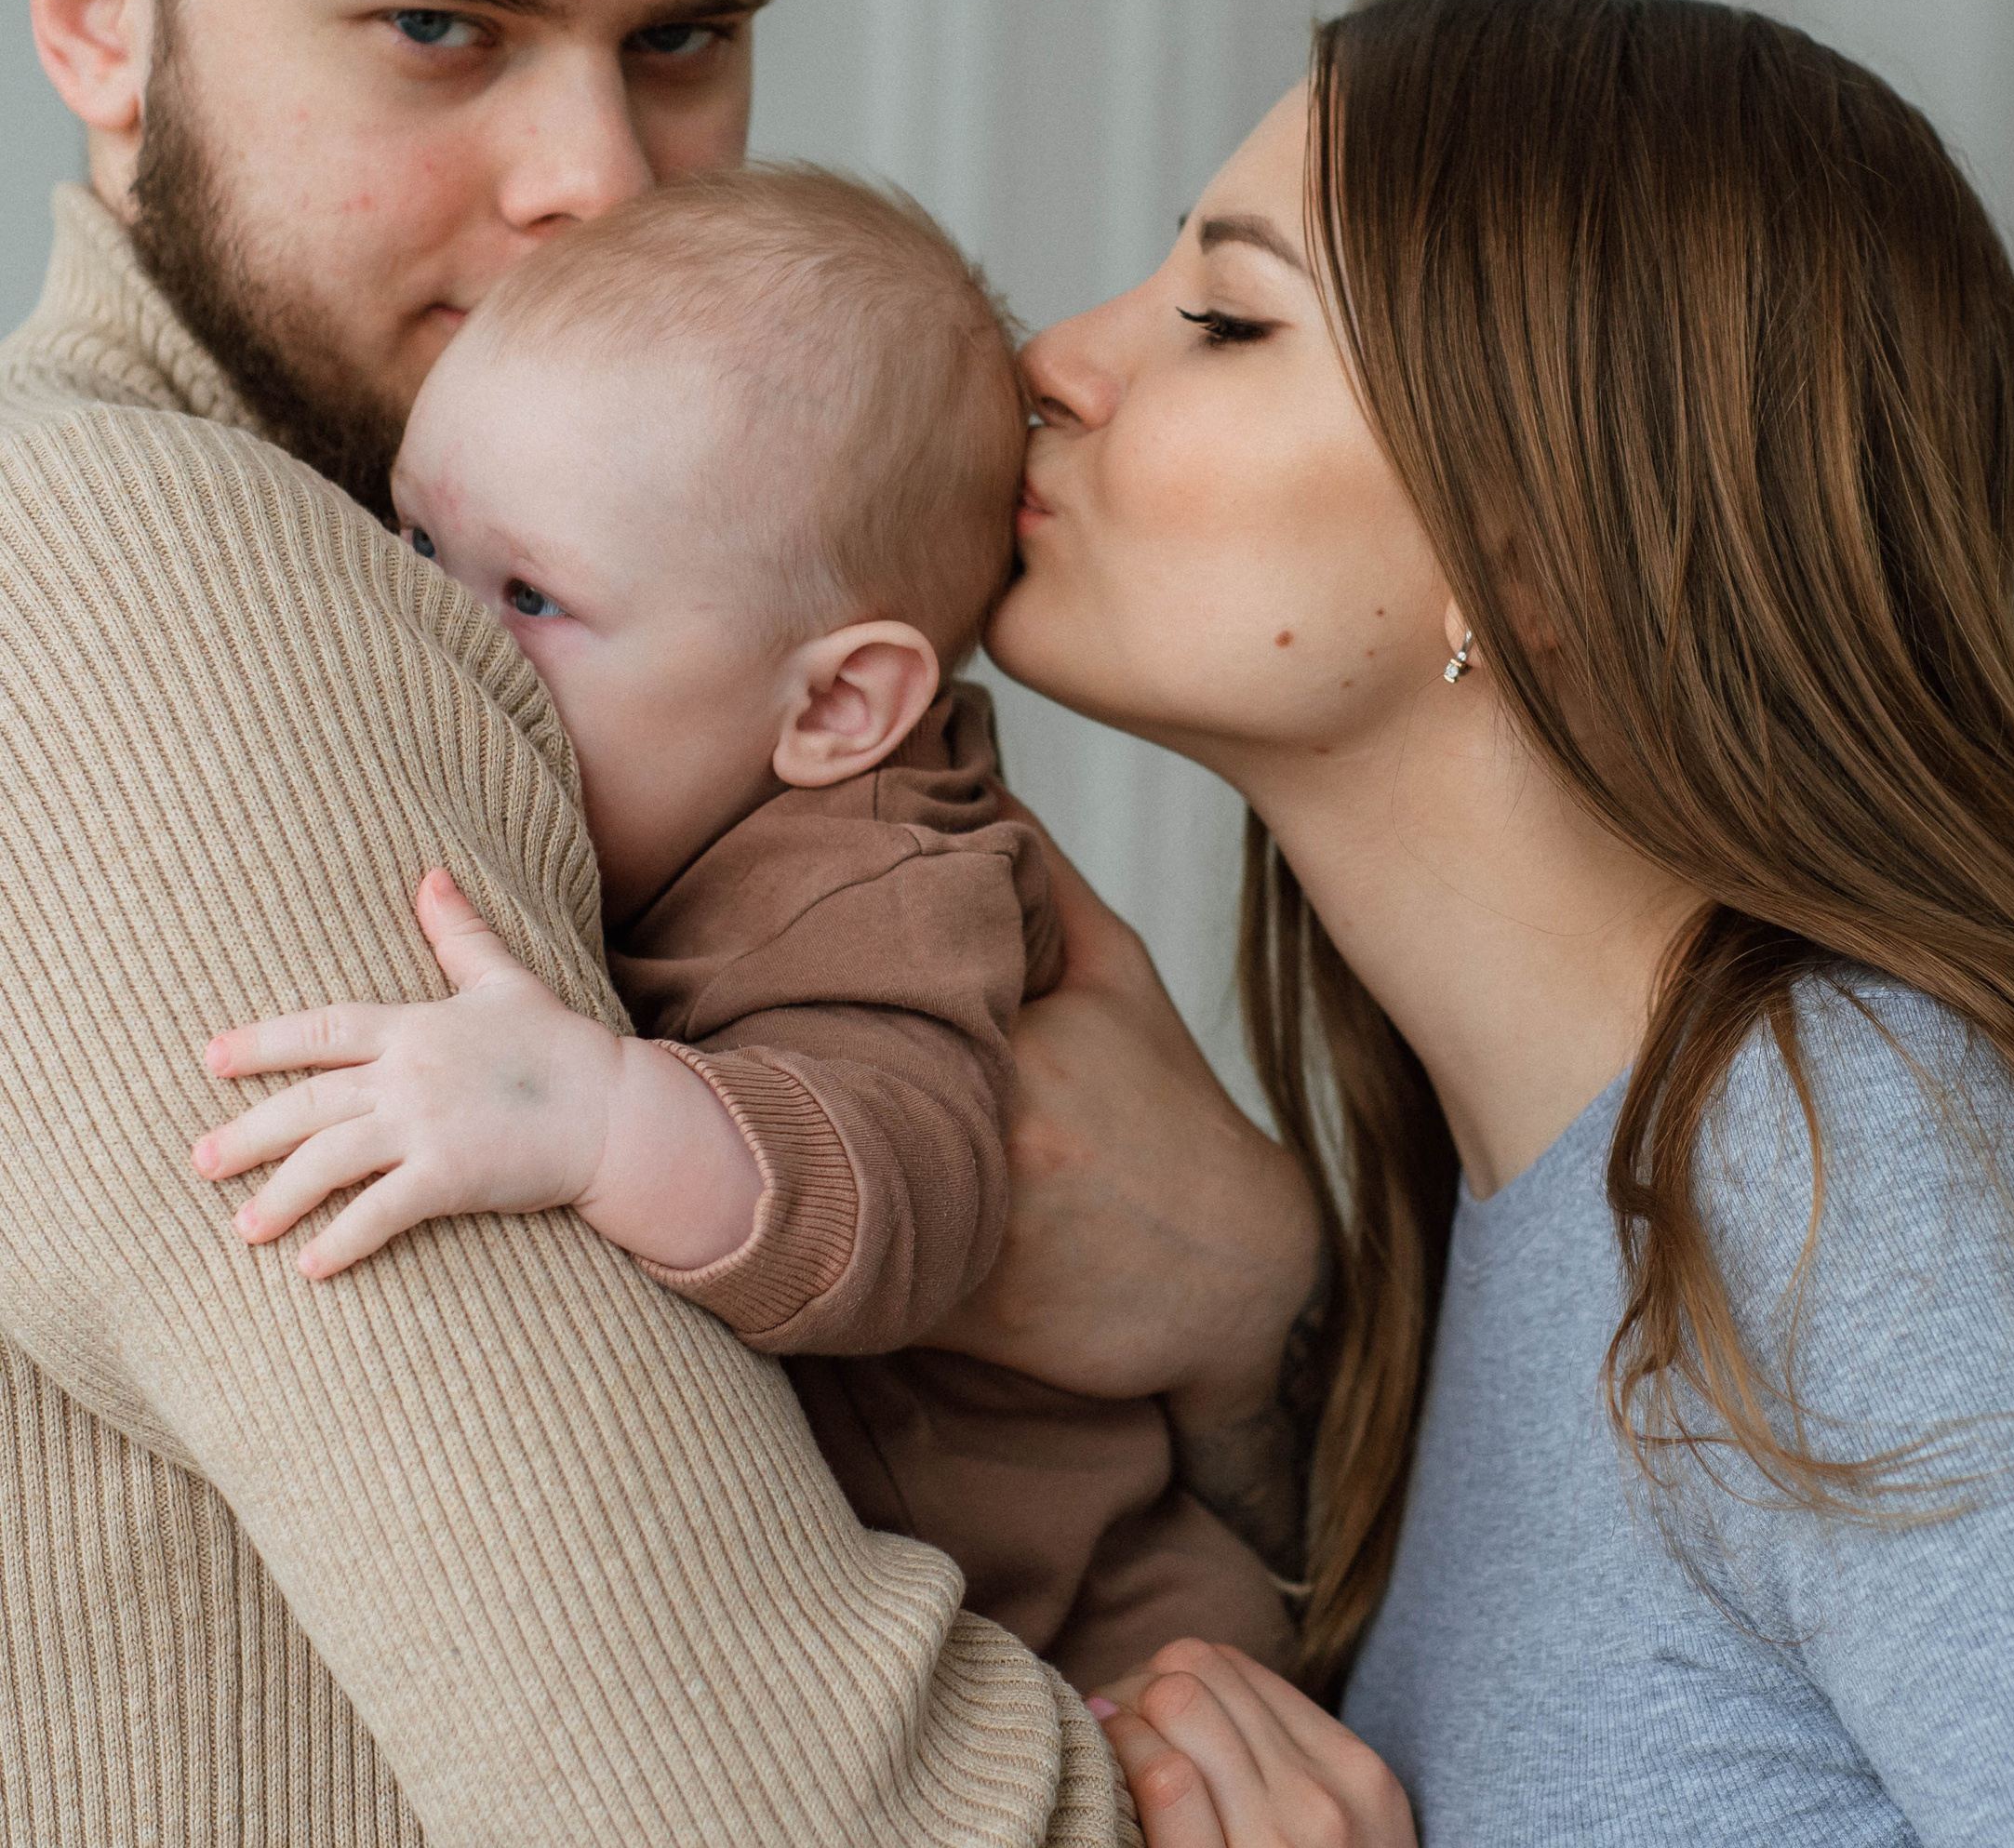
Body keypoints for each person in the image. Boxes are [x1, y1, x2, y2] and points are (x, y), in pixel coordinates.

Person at [0, 0, 1315, 1838]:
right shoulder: (131, 589)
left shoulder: (609, 595)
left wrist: (1233, 1298)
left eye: (685, 35)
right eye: (438, 26)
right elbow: (784, 1806)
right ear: (99, 1)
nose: (599, 181)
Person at [989, 0, 2014, 1844]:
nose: (1054, 359)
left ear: (1539, 553)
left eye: (1227, 321)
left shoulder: (1856, 1174)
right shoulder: (1557, 1194)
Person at [187, 165, 1297, 1690]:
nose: (436, 632)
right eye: (421, 545)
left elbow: (903, 1196)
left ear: (836, 707)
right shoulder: (656, 784)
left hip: (1105, 1644)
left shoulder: (881, 882)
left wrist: (595, 1114)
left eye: (531, 598)